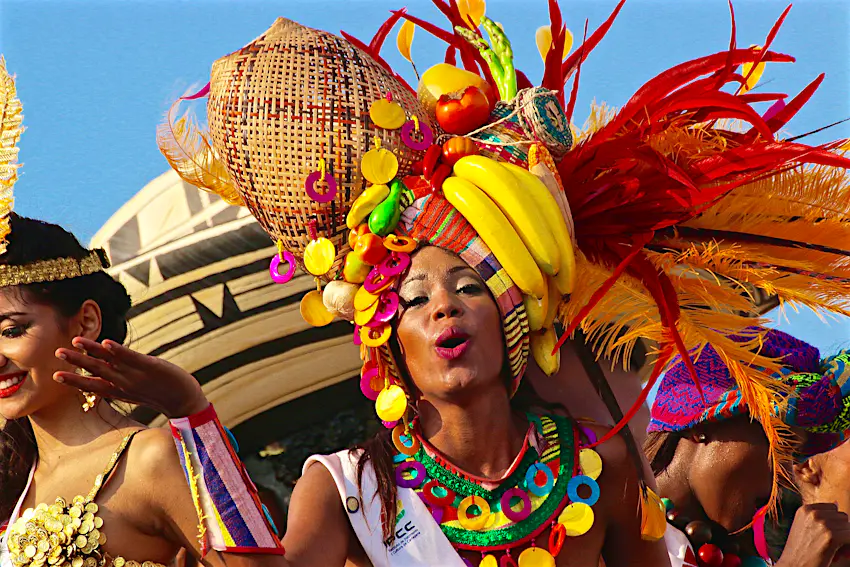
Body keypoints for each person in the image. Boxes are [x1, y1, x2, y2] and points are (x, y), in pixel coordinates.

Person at [66, 1, 850, 566]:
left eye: (469, 285)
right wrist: (194, 416)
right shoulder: (343, 490)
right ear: (388, 343)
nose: (441, 305)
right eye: (411, 299)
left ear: (512, 315)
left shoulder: (597, 470)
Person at [0, 58, 284, 567]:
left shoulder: (149, 457)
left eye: (11, 330)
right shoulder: (14, 498)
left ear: (85, 322)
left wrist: (194, 414)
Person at [646, 329, 850, 566]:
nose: (785, 478)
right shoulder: (608, 523)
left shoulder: (744, 558)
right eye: (779, 443)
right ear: (701, 423)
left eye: (792, 456)